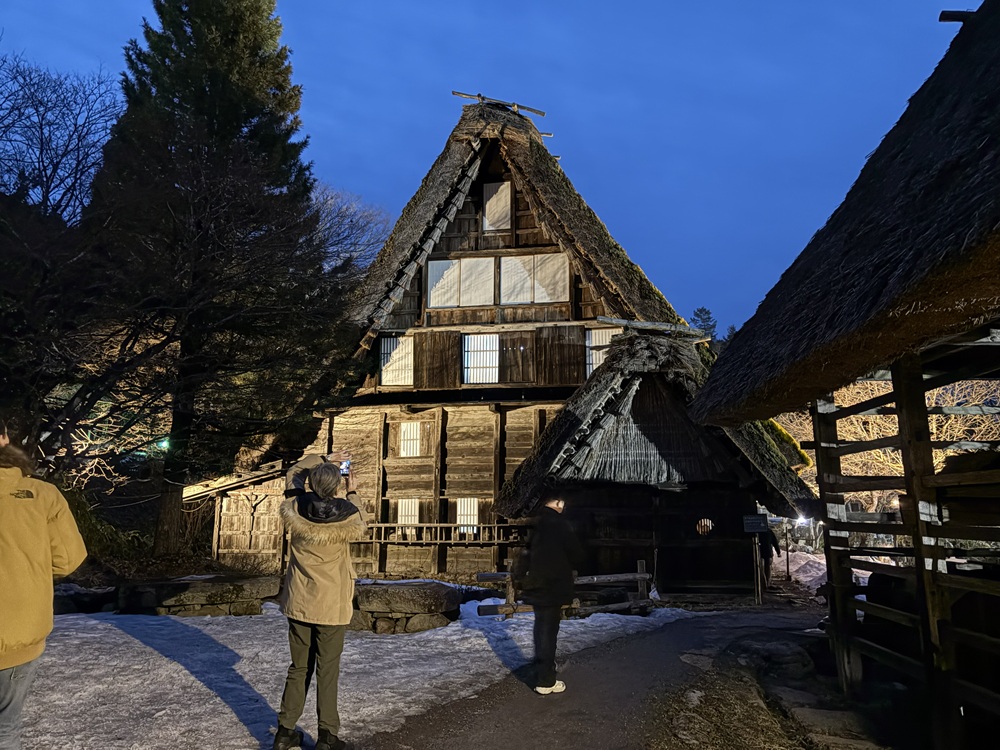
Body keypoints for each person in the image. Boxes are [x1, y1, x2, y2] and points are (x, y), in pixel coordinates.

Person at [273, 451, 366, 750]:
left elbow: (293, 473)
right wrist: (353, 488)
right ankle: (327, 735)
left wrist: (323, 458)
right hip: (332, 605)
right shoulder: (349, 514)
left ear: (311, 484)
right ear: (338, 487)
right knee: (328, 669)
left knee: (298, 668)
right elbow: (361, 515)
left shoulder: (295, 508)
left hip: (300, 600)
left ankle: (285, 732)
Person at [0, 432, 87, 749]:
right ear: (5, 439)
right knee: (4, 730)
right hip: (19, 634)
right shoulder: (43, 495)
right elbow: (67, 559)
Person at [520, 493, 583, 696]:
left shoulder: (536, 524)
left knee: (540, 630)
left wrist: (521, 579)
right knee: (548, 631)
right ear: (557, 503)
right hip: (553, 585)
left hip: (536, 585)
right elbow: (576, 554)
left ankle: (543, 671)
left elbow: (524, 554)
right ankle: (546, 680)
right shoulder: (560, 525)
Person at [758, 526, 782, 590]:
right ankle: (766, 584)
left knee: (760, 570)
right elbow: (775, 542)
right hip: (767, 553)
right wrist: (778, 552)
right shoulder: (768, 531)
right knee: (767, 569)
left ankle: (762, 584)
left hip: (759, 553)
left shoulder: (756, 530)